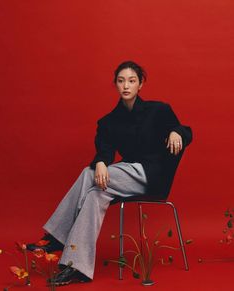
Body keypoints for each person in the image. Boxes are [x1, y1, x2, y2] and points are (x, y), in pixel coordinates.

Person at [27, 61, 192, 286]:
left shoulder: (158, 110)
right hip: (124, 176)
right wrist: (102, 162)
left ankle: (57, 237)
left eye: (132, 81)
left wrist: (176, 131)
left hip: (151, 176)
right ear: (115, 84)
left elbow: (186, 130)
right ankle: (76, 267)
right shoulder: (108, 122)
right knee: (95, 195)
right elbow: (103, 150)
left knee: (88, 173)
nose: (126, 86)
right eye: (121, 81)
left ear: (140, 84)